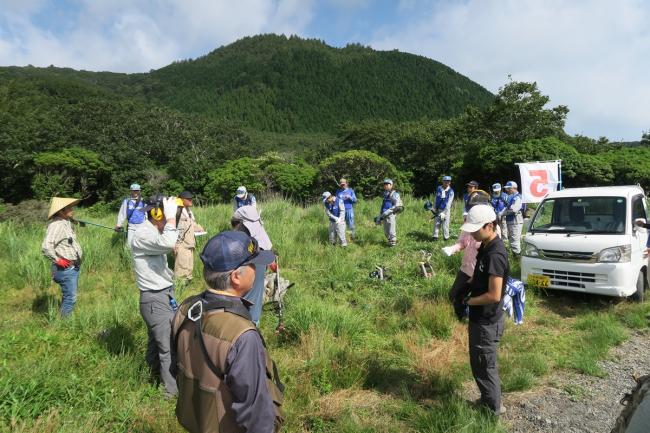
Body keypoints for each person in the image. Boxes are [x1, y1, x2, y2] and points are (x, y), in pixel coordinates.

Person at [171, 230, 284, 433]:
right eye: (253, 265)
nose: (258, 269)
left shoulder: (185, 308)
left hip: (198, 421)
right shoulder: (243, 336)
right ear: (236, 277)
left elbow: (176, 369)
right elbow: (256, 416)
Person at [460, 204, 509, 416]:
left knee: (485, 365)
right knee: (480, 363)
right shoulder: (485, 246)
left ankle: (492, 412)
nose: (472, 233)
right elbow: (479, 276)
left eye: (476, 229)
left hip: (487, 320)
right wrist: (465, 285)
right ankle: (489, 401)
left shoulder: (495, 254)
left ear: (490, 226)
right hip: (482, 318)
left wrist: (469, 301)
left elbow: (494, 295)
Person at [129, 194, 179, 398]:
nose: (170, 217)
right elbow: (168, 242)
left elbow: (166, 243)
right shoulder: (142, 234)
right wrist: (172, 220)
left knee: (155, 342)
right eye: (167, 214)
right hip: (154, 299)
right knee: (167, 347)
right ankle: (171, 392)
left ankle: (151, 376)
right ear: (158, 213)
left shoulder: (152, 232)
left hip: (164, 294)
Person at [441, 191, 491, 320]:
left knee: (477, 298)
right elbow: (463, 242)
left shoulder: (490, 226)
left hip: (480, 271)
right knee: (455, 295)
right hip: (466, 268)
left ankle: (472, 319)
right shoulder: (468, 222)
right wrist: (452, 249)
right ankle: (461, 318)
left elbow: (491, 251)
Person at [231, 205, 274, 326]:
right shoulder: (259, 230)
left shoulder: (248, 238)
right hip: (258, 259)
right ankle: (253, 322)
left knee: (250, 292)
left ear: (242, 223)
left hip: (253, 259)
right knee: (255, 291)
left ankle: (249, 323)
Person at [42, 197, 83, 317]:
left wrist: (74, 220)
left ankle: (65, 319)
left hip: (72, 267)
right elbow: (46, 246)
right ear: (61, 211)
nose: (72, 209)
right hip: (65, 269)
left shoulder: (65, 222)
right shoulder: (56, 225)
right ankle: (65, 324)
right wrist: (57, 259)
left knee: (70, 295)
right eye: (69, 208)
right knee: (70, 297)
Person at [174, 190, 198, 282]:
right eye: (188, 199)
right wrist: (174, 244)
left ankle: (187, 283)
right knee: (181, 267)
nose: (191, 200)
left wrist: (200, 228)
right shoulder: (177, 211)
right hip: (181, 244)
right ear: (182, 200)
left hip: (190, 244)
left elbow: (192, 224)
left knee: (188, 266)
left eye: (191, 198)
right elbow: (173, 228)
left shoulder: (189, 211)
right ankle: (179, 287)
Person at [377, 179, 403, 247]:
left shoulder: (395, 194)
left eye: (387, 184)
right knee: (386, 231)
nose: (385, 185)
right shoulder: (385, 194)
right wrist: (380, 215)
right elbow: (383, 204)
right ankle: (390, 241)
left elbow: (397, 205)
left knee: (391, 229)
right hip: (384, 214)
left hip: (391, 214)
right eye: (384, 184)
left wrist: (389, 211)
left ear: (391, 185)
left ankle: (393, 244)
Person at [503, 181, 524, 256]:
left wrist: (502, 213)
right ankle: (515, 258)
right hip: (511, 221)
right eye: (507, 189)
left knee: (515, 242)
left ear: (514, 188)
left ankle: (517, 260)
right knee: (512, 241)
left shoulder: (517, 197)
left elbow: (513, 209)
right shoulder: (511, 197)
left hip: (515, 221)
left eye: (509, 188)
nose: (507, 190)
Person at [433, 175, 455, 241]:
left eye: (448, 181)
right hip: (438, 209)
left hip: (446, 210)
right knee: (436, 223)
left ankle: (446, 237)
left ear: (450, 182)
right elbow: (436, 198)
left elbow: (449, 203)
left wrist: (444, 213)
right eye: (445, 181)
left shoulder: (451, 191)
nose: (446, 182)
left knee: (445, 224)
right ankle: (435, 236)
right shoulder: (439, 188)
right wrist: (434, 208)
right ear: (442, 181)